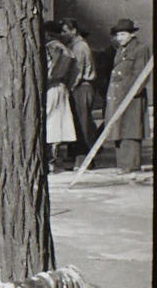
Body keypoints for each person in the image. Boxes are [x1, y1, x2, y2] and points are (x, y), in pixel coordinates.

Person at [102, 18, 151, 174]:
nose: (120, 38)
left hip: (131, 98)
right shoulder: (121, 50)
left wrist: (129, 94)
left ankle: (131, 165)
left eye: (123, 34)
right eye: (118, 35)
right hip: (118, 97)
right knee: (118, 130)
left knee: (131, 130)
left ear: (131, 34)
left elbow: (140, 75)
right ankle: (123, 164)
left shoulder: (140, 49)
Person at [60, 18, 97, 163]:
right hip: (79, 87)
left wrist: (69, 89)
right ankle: (77, 156)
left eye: (65, 31)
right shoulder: (73, 45)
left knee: (83, 124)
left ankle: (85, 159)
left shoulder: (80, 47)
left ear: (74, 31)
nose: (63, 34)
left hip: (81, 87)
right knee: (77, 122)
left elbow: (77, 71)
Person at [42, 21, 77, 171]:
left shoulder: (51, 48)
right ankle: (53, 160)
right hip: (62, 88)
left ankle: (48, 159)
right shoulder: (67, 49)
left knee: (49, 121)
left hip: (50, 87)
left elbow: (49, 70)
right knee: (58, 123)